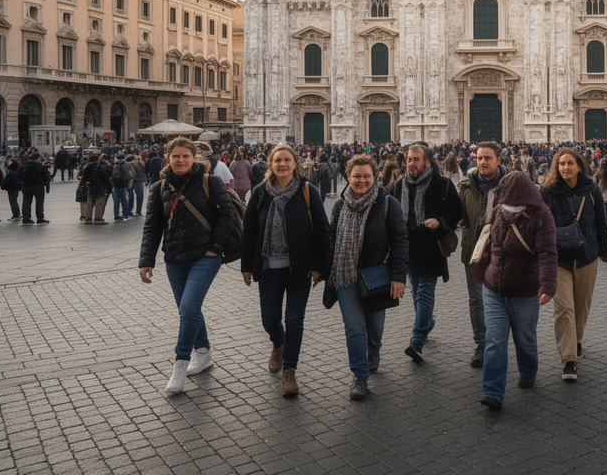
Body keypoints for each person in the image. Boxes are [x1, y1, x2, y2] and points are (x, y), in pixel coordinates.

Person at [139, 137, 239, 394]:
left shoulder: (210, 182)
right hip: (174, 258)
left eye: (186, 156)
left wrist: (213, 249)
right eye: (176, 156)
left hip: (205, 257)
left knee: (189, 308)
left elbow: (226, 217)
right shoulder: (160, 187)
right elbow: (152, 226)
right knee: (189, 311)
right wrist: (146, 260)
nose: (181, 160)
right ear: (168, 159)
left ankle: (180, 364)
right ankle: (204, 352)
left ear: (194, 158)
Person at [240, 143, 329, 398]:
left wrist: (317, 266)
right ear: (271, 164)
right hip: (269, 267)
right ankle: (277, 343)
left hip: (298, 269)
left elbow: (322, 230)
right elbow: (249, 232)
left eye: (287, 160)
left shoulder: (307, 191)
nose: (282, 164)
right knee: (269, 320)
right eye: (278, 160)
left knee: (294, 320)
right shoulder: (259, 194)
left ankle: (290, 371)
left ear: (295, 164)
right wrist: (247, 265)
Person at [322, 154, 407, 401]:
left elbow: (401, 242)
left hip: (375, 277)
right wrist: (323, 270)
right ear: (348, 177)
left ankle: (374, 350)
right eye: (357, 176)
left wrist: (399, 276)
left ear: (375, 177)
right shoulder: (339, 205)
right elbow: (331, 240)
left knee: (374, 327)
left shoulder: (388, 204)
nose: (361, 181)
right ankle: (359, 376)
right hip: (344, 276)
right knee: (354, 327)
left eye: (366, 176)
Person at [473, 171, 557, 410]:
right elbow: (488, 244)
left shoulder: (541, 215)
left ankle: (528, 370)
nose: (503, 194)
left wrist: (547, 285)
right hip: (494, 288)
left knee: (525, 339)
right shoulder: (498, 211)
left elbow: (548, 253)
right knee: (495, 340)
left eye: (506, 190)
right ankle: (492, 391)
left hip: (524, 290)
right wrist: (480, 271)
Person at [540, 148, 607, 382]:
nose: (565, 167)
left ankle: (576, 339)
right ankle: (569, 359)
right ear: (556, 168)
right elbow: (539, 223)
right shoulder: (548, 192)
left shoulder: (591, 190)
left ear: (580, 166)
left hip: (587, 254)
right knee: (564, 308)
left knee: (581, 304)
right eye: (561, 164)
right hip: (559, 258)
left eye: (570, 163)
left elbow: (601, 221)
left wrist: (603, 251)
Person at [396, 144, 463, 364]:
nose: (412, 164)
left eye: (416, 159)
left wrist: (440, 222)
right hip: (408, 248)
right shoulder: (399, 185)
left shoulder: (442, 184)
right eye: (409, 160)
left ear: (426, 162)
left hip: (430, 247)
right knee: (415, 290)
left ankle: (417, 340)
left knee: (424, 291)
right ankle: (427, 323)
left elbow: (456, 211)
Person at [457, 142, 506, 368]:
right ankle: (481, 343)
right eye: (479, 158)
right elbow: (458, 215)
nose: (483, 162)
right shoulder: (466, 185)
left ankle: (497, 341)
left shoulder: (511, 185)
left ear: (498, 159)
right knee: (476, 298)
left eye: (487, 158)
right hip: (474, 250)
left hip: (503, 250)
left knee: (502, 297)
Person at [78, 153, 112, 225]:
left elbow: (84, 178)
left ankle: (88, 219)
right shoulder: (100, 167)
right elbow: (105, 178)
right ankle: (98, 219)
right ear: (97, 159)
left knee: (89, 204)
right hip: (99, 188)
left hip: (90, 187)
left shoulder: (87, 167)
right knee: (99, 204)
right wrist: (109, 187)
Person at [20, 153, 51, 224]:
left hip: (26, 186)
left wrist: (21, 185)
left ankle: (26, 218)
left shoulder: (24, 166)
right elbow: (46, 177)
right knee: (39, 203)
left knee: (26, 202)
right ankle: (40, 218)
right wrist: (47, 186)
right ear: (37, 158)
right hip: (38, 186)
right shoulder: (41, 166)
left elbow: (19, 176)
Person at [110, 154, 132, 221]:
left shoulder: (115, 165)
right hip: (123, 184)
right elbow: (130, 174)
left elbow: (113, 175)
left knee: (116, 202)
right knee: (124, 200)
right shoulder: (127, 164)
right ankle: (125, 214)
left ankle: (116, 215)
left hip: (116, 185)